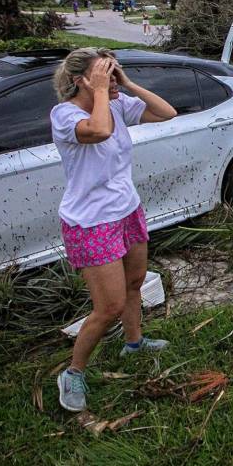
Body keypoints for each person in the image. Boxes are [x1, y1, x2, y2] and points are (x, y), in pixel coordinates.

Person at [51, 48, 177, 412]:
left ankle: (134, 342)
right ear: (80, 81)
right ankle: (73, 373)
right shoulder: (65, 114)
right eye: (103, 72)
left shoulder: (118, 104)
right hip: (91, 222)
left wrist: (126, 83)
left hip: (127, 210)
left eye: (112, 70)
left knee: (135, 282)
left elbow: (166, 112)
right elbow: (100, 130)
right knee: (108, 307)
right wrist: (104, 92)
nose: (111, 76)